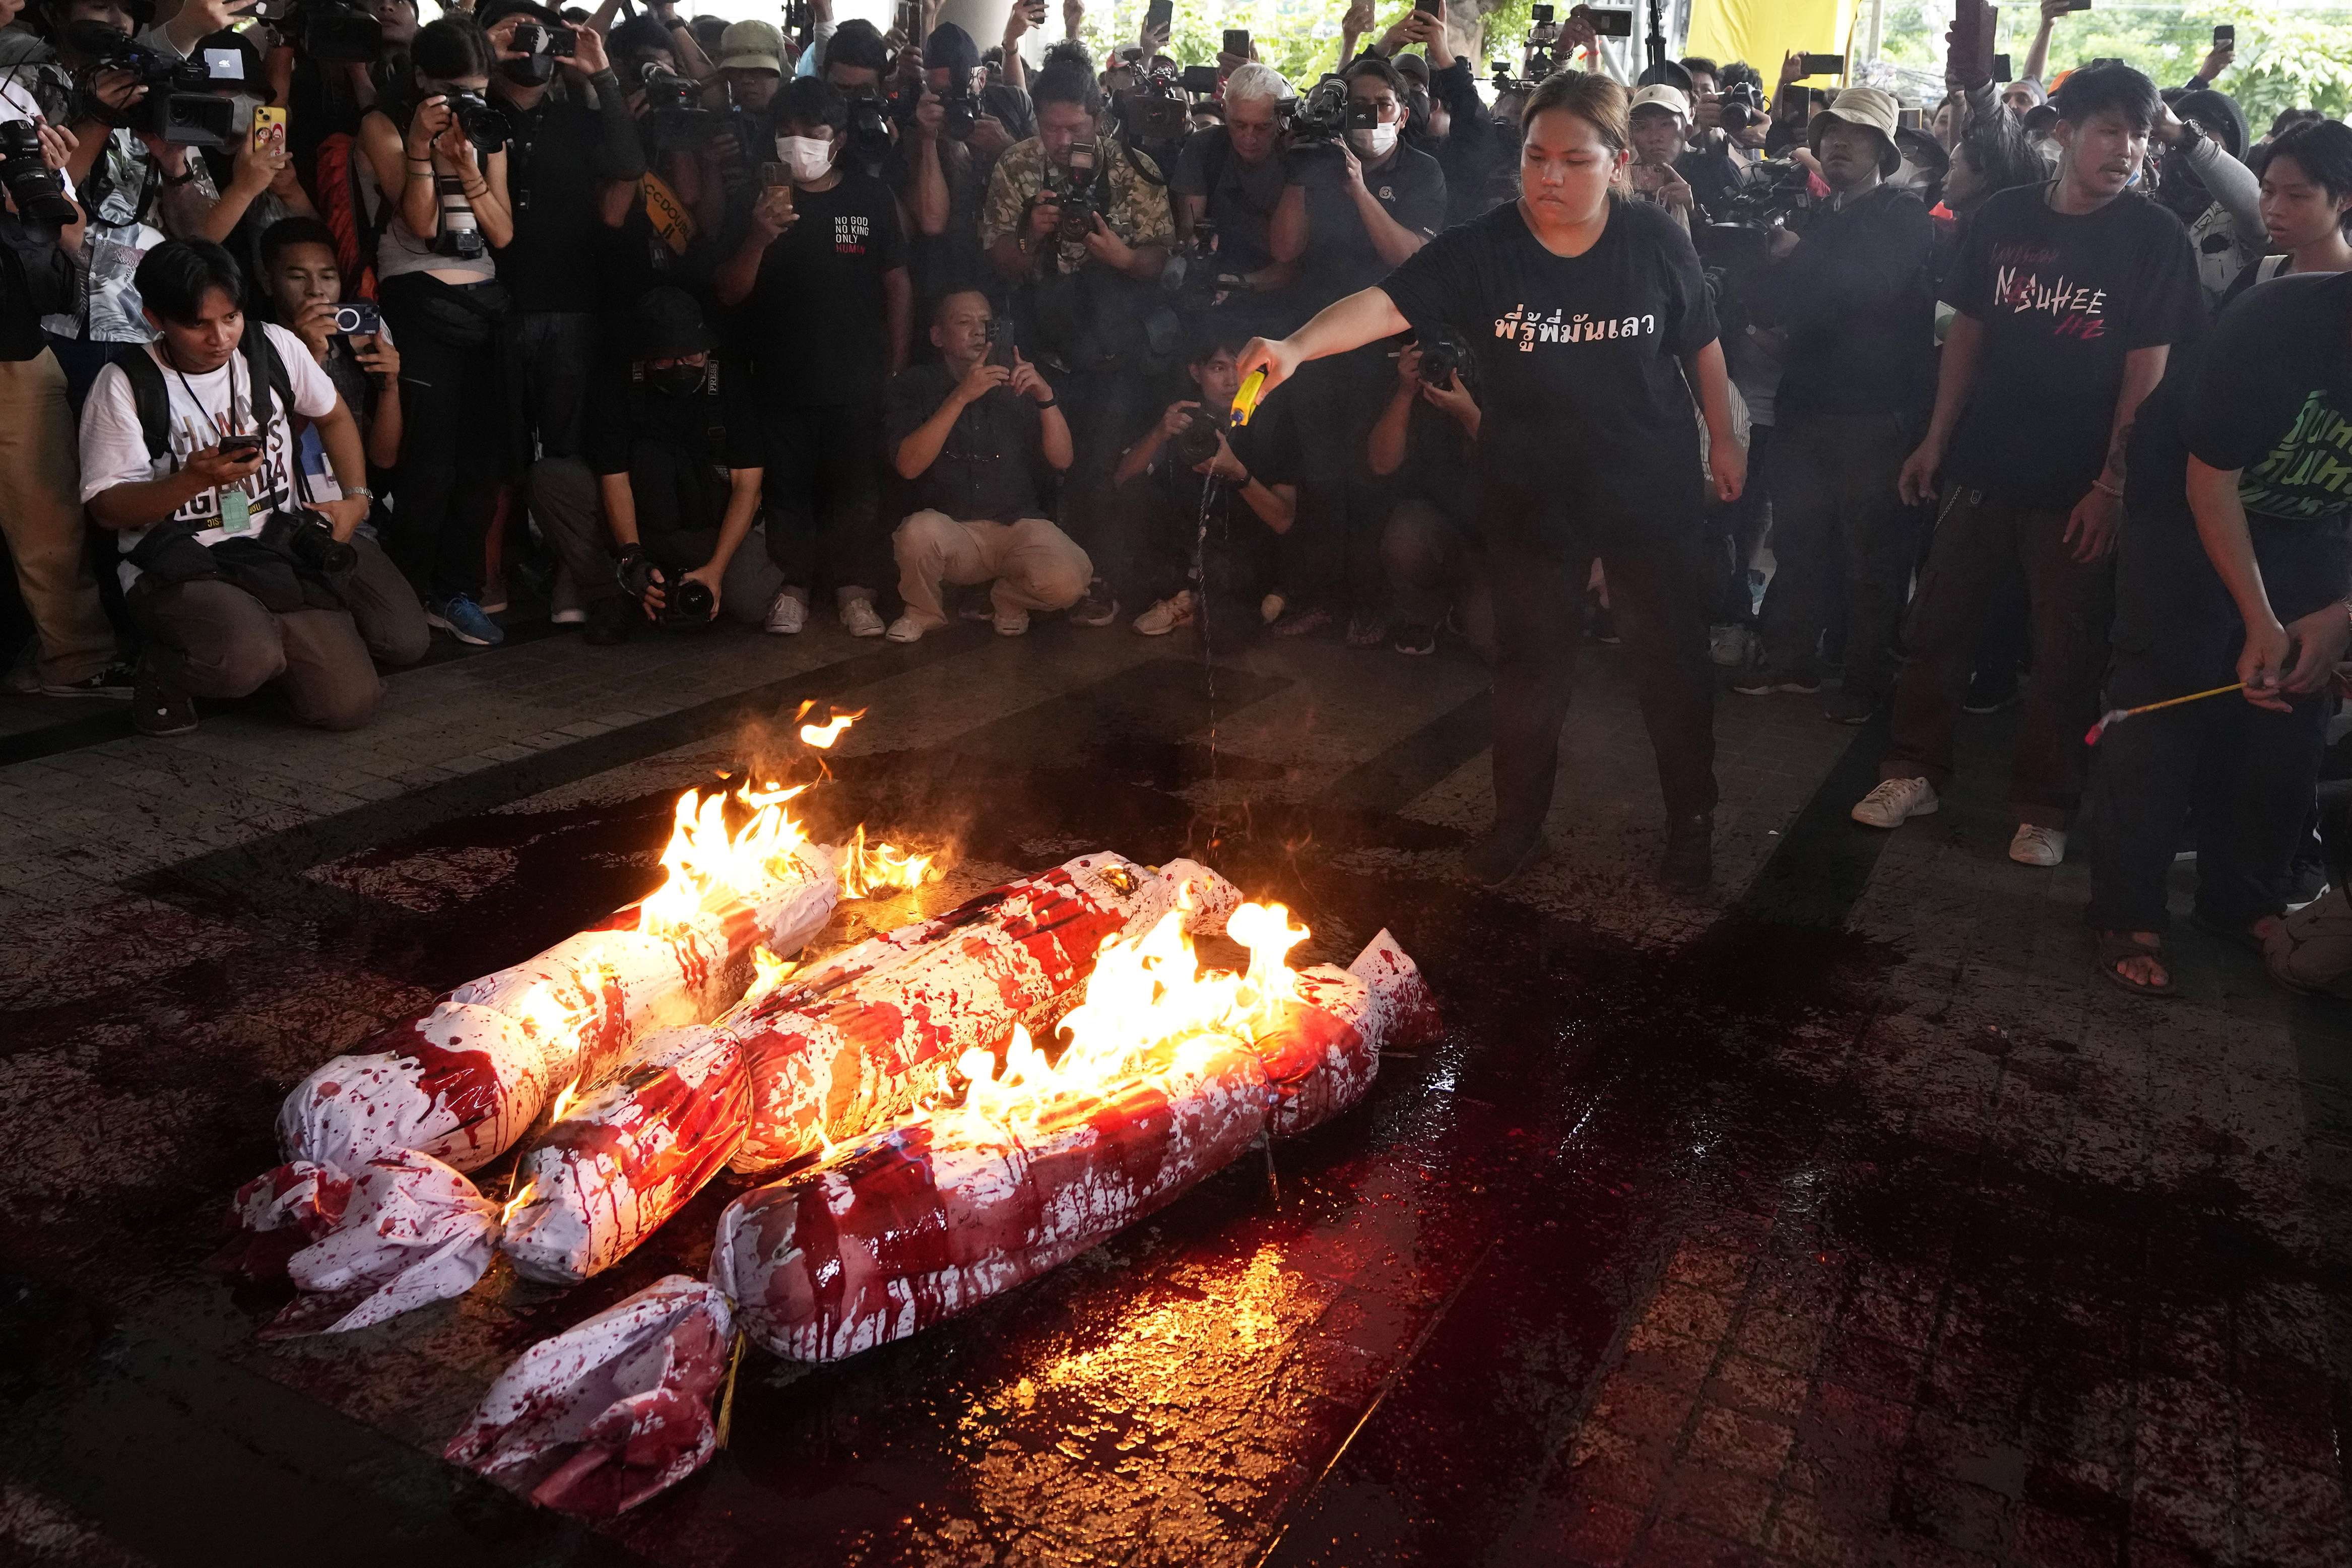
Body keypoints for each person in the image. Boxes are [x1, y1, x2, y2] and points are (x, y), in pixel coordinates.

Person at [1239, 72, 1745, 892]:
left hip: (1643, 489)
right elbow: (1385, 302)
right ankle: (1518, 823)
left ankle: (1691, 822)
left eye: (1573, 160)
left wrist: (1722, 436)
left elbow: (1702, 344)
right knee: (1529, 667)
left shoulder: (1654, 239)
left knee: (1668, 663)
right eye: (1535, 156)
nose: (1549, 176)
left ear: (1614, 161)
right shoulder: (1486, 247)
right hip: (1530, 490)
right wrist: (1295, 348)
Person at [1857, 65, 2205, 867]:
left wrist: (2111, 485)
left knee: (2065, 649)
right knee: (1940, 624)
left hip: (2080, 483)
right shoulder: (2007, 217)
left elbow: (2145, 372)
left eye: (2141, 135)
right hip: (1984, 464)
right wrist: (1937, 440)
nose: (2129, 150)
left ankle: (2044, 802)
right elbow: (1968, 335)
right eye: (2112, 130)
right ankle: (1913, 769)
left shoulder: (2154, 238)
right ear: (2063, 132)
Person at [2085, 273, 2352, 994]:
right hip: (2186, 502)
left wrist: (2342, 616)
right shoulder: (2285, 320)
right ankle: (2128, 909)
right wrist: (2259, 619)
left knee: (2293, 709)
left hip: (2316, 523)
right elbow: (2212, 485)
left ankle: (2242, 900)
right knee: (2167, 693)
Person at [80, 241, 377, 736]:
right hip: (177, 559)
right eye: (198, 324)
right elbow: (108, 510)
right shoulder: (125, 383)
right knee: (244, 658)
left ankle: (268, 644)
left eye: (231, 317)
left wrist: (357, 499)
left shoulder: (274, 346)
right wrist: (192, 480)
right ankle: (167, 669)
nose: (220, 338)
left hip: (273, 544)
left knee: (351, 705)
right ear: (156, 318)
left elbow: (334, 415)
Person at [1734, 86, 1935, 724]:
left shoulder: (1901, 215)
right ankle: (1791, 659)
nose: (1841, 143)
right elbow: (1775, 300)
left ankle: (1867, 682)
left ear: (1884, 149)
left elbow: (1868, 289)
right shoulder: (1820, 217)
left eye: (1860, 134)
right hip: (1807, 408)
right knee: (1798, 540)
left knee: (1871, 556)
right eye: (1832, 133)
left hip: (1873, 417)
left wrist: (1800, 260)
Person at [977, 48, 1174, 629]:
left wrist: (1123, 256)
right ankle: (1025, 578)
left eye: (1075, 127)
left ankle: (1096, 577)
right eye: (1050, 127)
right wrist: (1029, 239)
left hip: (1112, 350)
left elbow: (1161, 261)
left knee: (1098, 470)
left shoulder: (1134, 170)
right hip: (1041, 345)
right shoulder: (1017, 167)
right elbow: (999, 263)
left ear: (1099, 115)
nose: (1062, 140)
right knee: (1027, 464)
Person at [717, 75, 911, 638]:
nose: (797, 143)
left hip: (857, 378)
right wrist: (757, 238)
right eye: (786, 132)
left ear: (840, 139)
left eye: (813, 133)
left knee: (856, 489)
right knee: (787, 490)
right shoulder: (754, 198)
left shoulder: (869, 196)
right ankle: (795, 586)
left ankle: (854, 588)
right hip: (779, 379)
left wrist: (896, 366)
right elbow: (728, 292)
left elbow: (896, 283)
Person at [1265, 53, 1446, 641]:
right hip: (1317, 347)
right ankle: (1320, 597)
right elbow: (1286, 251)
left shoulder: (1422, 173)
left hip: (1387, 355)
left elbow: (1411, 261)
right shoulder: (1317, 164)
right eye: (1357, 106)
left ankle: (1373, 603)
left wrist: (1359, 188)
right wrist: (1298, 172)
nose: (1369, 117)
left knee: (1375, 479)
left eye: (1382, 106)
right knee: (1320, 478)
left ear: (1402, 110)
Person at [357, 15, 517, 648]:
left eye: (478, 89)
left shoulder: (489, 128)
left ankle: (456, 591)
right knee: (429, 465)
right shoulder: (382, 124)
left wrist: (471, 164)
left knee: (482, 465)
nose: (467, 103)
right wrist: (423, 147)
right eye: (455, 90)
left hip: (484, 301)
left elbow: (502, 235)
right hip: (417, 299)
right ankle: (406, 591)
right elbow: (421, 225)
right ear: (422, 79)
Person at [532, 286, 779, 644]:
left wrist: (715, 570)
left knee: (750, 603)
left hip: (709, 530)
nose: (680, 367)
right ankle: (609, 592)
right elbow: (614, 481)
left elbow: (748, 488)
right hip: (642, 524)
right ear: (645, 357)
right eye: (664, 359)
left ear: (707, 349)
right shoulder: (616, 383)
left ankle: (680, 582)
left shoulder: (730, 384)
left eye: (691, 356)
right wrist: (633, 560)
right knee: (550, 479)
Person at [255, 216, 428, 669]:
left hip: (346, 521)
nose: (316, 292)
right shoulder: (251, 347)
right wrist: (305, 359)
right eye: (297, 277)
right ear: (267, 280)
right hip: (274, 526)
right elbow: (266, 453)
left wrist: (390, 388)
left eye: (328, 277)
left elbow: (383, 459)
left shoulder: (355, 345)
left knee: (406, 642)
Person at [478, 2, 642, 464]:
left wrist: (602, 75)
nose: (529, 45)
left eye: (541, 35)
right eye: (515, 35)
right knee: (494, 443)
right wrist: (477, 59)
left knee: (567, 443)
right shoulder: (470, 113)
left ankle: (559, 530)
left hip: (569, 300)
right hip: (491, 299)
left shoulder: (576, 121)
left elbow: (629, 165)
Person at [882, 289, 1089, 642]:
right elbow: (909, 466)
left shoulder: (1016, 381)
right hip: (954, 532)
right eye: (964, 323)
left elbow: (1063, 461)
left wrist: (1046, 399)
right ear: (937, 336)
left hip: (1017, 526)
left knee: (1072, 578)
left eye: (986, 323)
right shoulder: (917, 385)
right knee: (917, 533)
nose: (979, 332)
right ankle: (924, 612)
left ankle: (1007, 600)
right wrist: (961, 395)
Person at [1114, 328, 1299, 643]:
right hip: (1185, 549)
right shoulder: (1184, 419)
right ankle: (1192, 599)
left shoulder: (1271, 423)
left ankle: (1263, 598)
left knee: (1224, 633)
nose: (1232, 380)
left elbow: (1283, 520)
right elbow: (1122, 482)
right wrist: (1159, 434)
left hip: (1248, 552)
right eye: (1218, 368)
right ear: (1195, 372)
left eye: (1241, 368)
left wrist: (1237, 473)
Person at [1365, 331, 1484, 657]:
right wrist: (1406, 391)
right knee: (1406, 532)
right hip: (1436, 523)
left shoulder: (1504, 373)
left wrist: (1469, 413)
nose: (1445, 365)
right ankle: (1421, 615)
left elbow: (1521, 468)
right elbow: (1381, 463)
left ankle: (1465, 610)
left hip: (1498, 538)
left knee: (1493, 643)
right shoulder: (1418, 385)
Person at [1169, 62, 1297, 332]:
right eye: (1239, 125)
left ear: (1281, 119)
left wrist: (1237, 282)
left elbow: (1292, 262)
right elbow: (1190, 229)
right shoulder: (1205, 148)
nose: (1249, 138)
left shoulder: (1296, 158)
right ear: (1225, 111)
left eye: (1262, 127)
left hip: (1282, 301)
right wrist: (1197, 245)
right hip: (1213, 287)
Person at [2222, 121, 2352, 306]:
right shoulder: (2256, 278)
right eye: (2268, 191)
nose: (2274, 210)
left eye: (2296, 196)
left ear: (2346, 199)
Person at [1624, 84, 1695, 235]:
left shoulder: (1714, 170)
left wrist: (1692, 211)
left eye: (1665, 124)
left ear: (1687, 132)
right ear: (1632, 137)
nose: (1655, 137)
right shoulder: (1622, 180)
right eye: (1642, 127)